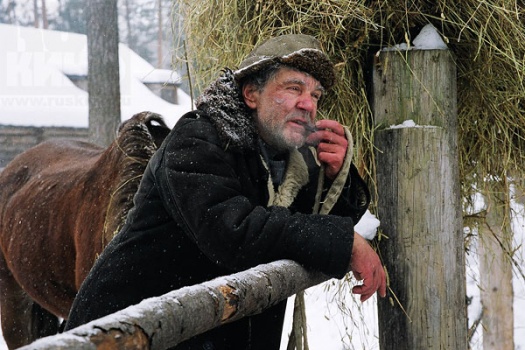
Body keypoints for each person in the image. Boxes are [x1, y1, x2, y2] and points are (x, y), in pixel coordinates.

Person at [65, 33, 387, 349]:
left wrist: (335, 175)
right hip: (129, 333)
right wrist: (345, 241)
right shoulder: (197, 139)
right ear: (251, 94)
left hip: (205, 331)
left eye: (316, 95)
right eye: (294, 88)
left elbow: (311, 226)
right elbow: (234, 233)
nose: (308, 104)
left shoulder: (287, 161)